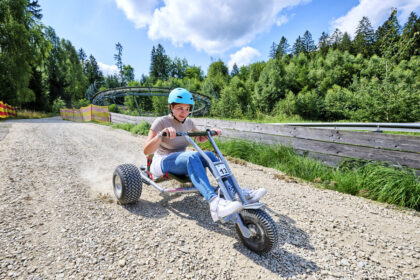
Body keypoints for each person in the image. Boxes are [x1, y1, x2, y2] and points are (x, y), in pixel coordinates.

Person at [143, 88, 266, 222]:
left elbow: (200, 138)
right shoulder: (161, 122)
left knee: (208, 155)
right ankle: (215, 203)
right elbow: (146, 150)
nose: (184, 112)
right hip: (162, 162)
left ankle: (235, 191)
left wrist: (210, 132)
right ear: (171, 107)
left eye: (187, 108)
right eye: (179, 108)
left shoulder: (189, 122)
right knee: (191, 156)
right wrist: (161, 135)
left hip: (182, 160)